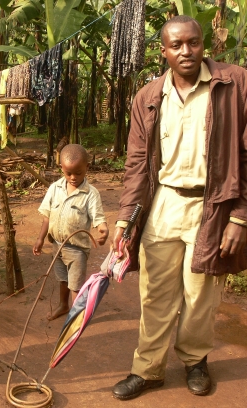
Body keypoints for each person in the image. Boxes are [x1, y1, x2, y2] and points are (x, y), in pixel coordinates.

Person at [111, 16, 247, 400]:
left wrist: (240, 216)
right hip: (164, 204)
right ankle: (147, 369)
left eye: (193, 43)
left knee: (200, 294)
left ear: (204, 44)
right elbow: (137, 164)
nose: (186, 51)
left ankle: (195, 359)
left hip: (213, 206)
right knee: (154, 294)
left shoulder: (235, 84)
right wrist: (125, 219)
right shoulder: (148, 97)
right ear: (164, 51)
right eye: (176, 45)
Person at [33, 144, 109, 321]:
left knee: (75, 285)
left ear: (87, 168)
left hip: (77, 249)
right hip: (57, 246)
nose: (73, 177)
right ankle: (63, 305)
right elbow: (46, 217)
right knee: (63, 278)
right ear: (61, 168)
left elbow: (98, 217)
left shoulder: (91, 194)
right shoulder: (54, 188)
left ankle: (76, 317)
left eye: (78, 173)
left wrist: (103, 229)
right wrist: (40, 239)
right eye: (68, 173)